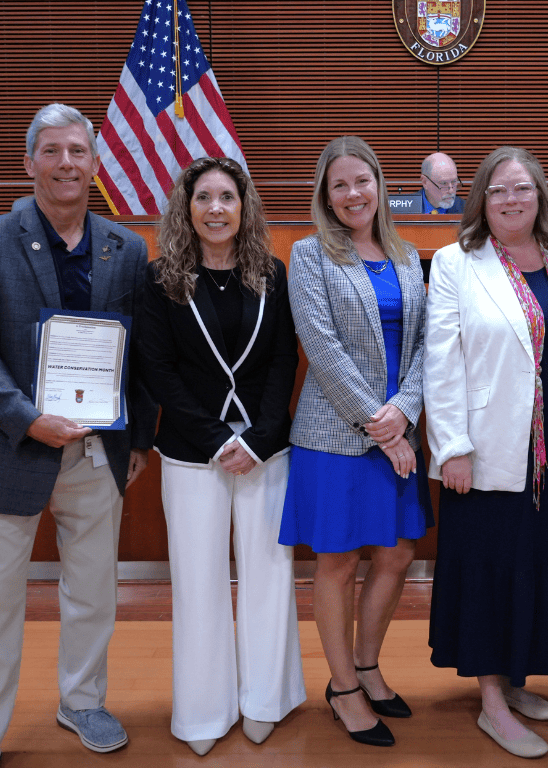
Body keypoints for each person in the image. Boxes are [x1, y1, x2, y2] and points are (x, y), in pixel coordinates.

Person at [0, 103, 157, 768]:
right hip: (9, 448)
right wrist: (27, 417)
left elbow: (142, 355)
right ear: (29, 162)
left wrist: (142, 441)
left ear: (95, 164)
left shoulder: (126, 248)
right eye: (54, 151)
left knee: (93, 591)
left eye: (79, 152)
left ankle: (82, 701)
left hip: (97, 455)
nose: (68, 163)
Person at [425, 146, 548, 759]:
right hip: (490, 445)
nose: (510, 200)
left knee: (540, 561)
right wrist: (452, 447)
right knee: (491, 567)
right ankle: (491, 701)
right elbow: (441, 362)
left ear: (539, 194)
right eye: (498, 190)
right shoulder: (454, 262)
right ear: (481, 198)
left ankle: (517, 675)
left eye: (522, 188)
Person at [135, 157, 306, 756]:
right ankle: (204, 711)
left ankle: (265, 700)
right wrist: (215, 439)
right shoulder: (161, 279)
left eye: (226, 196)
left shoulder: (273, 274)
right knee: (199, 580)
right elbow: (157, 370)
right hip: (191, 452)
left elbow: (284, 359)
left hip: (264, 450)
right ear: (186, 208)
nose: (215, 207)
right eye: (203, 196)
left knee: (268, 574)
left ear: (244, 206)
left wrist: (258, 438)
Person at [279, 136, 433, 748]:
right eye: (339, 185)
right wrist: (379, 422)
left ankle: (367, 666)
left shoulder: (405, 252)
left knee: (396, 554)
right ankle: (342, 687)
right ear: (326, 194)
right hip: (334, 436)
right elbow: (320, 347)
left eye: (361, 182)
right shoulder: (309, 255)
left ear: (379, 186)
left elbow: (426, 346)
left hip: (400, 426)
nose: (352, 194)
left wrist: (404, 413)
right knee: (338, 562)